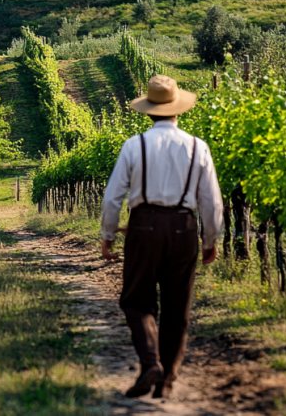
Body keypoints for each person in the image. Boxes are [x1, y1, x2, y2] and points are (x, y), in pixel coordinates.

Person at [100, 74, 224, 400]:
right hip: (183, 228)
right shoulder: (198, 146)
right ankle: (167, 378)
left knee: (136, 300)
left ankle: (150, 362)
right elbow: (211, 200)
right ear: (177, 110)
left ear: (149, 110)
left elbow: (113, 196)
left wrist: (108, 234)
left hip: (142, 227)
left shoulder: (133, 145)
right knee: (176, 305)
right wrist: (211, 239)